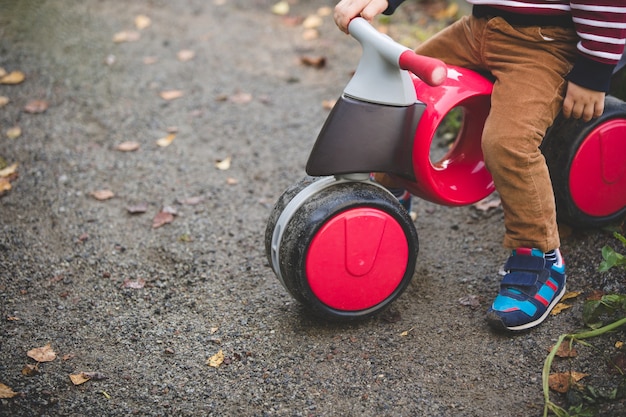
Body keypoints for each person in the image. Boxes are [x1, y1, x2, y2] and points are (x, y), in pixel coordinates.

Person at [334, 0, 626, 331]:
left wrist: (594, 69)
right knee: (401, 87)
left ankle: (541, 254)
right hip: (477, 30)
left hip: (545, 44)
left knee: (508, 143)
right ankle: (388, 193)